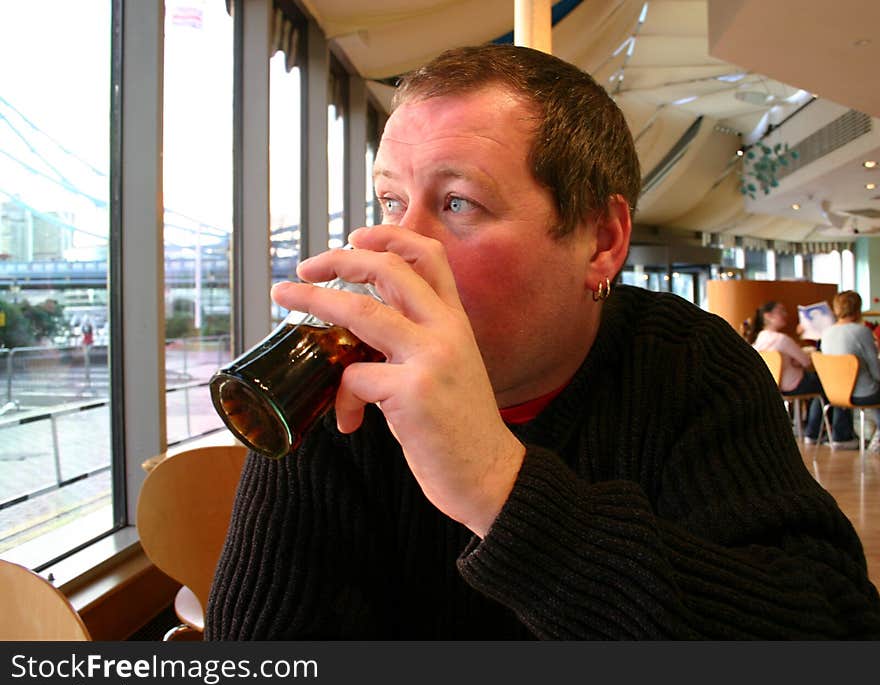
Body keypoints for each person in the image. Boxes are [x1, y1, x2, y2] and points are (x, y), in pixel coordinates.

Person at [205, 44, 880, 640]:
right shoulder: (343, 394)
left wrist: (501, 487)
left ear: (602, 241)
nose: (394, 246)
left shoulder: (688, 364)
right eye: (389, 201)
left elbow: (835, 629)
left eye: (457, 203)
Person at [747, 301, 847, 447]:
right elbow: (806, 362)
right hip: (795, 383)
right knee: (831, 384)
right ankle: (829, 434)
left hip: (776, 386)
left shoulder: (759, 340)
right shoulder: (782, 339)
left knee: (820, 386)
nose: (785, 315)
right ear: (768, 316)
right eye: (781, 311)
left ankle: (813, 432)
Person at [820, 290, 880, 453]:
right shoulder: (862, 331)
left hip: (835, 393)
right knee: (876, 386)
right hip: (862, 393)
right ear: (858, 308)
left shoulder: (826, 333)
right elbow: (875, 369)